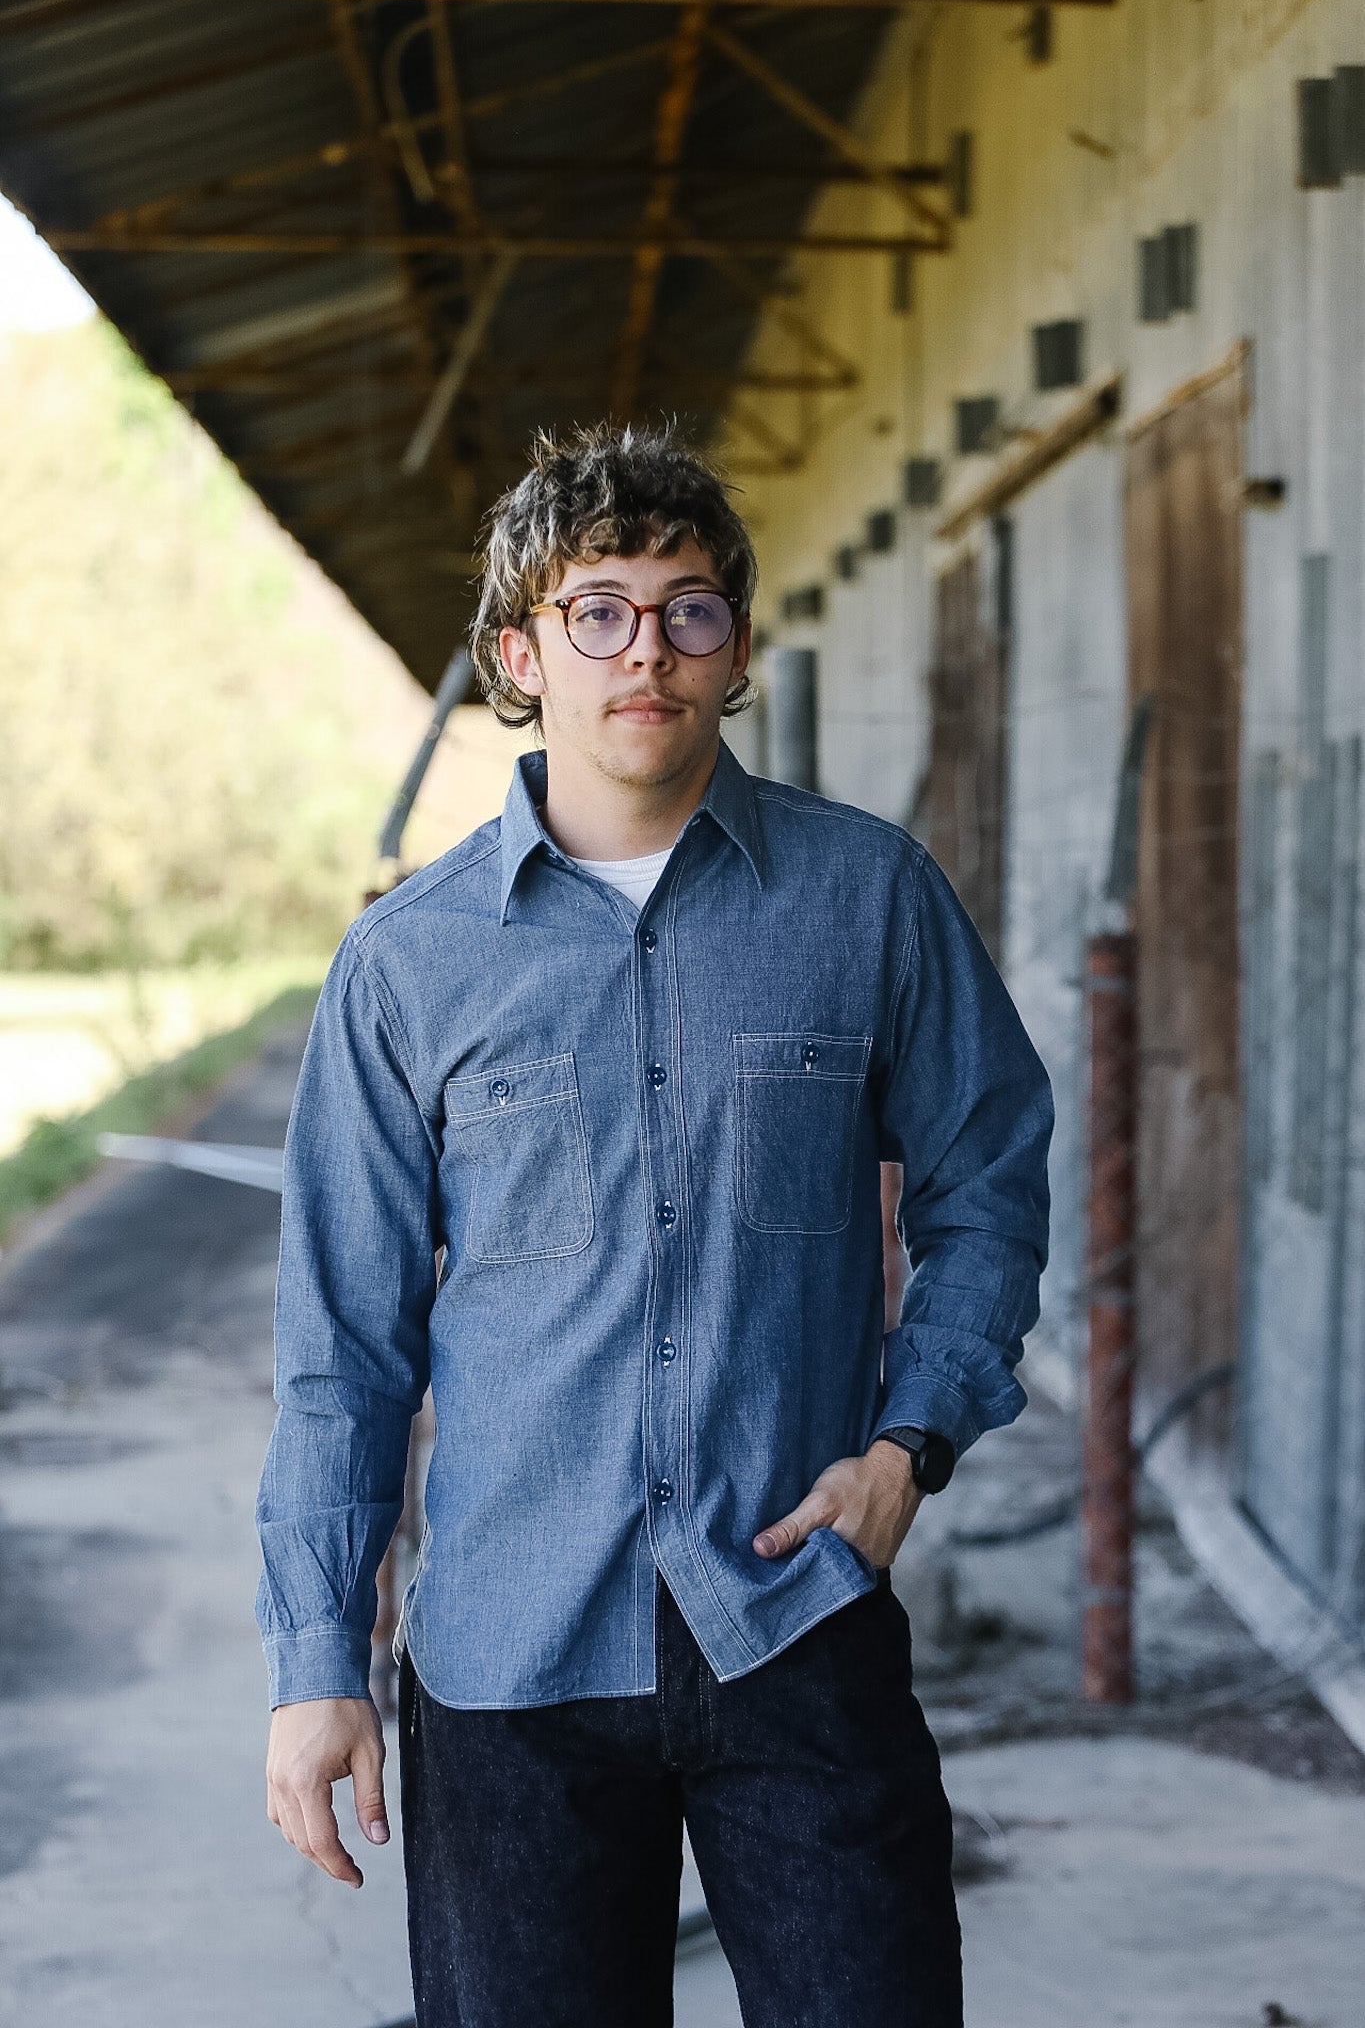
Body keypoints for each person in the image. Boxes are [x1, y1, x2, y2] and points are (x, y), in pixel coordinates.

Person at [256, 424, 1053, 2028]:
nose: (648, 651)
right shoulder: (407, 968)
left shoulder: (865, 898)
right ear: (517, 652)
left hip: (796, 1616)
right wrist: (315, 1663)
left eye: (688, 610)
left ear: (736, 648)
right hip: (506, 1661)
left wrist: (912, 1442)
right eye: (598, 610)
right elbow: (341, 1347)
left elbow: (991, 1177)